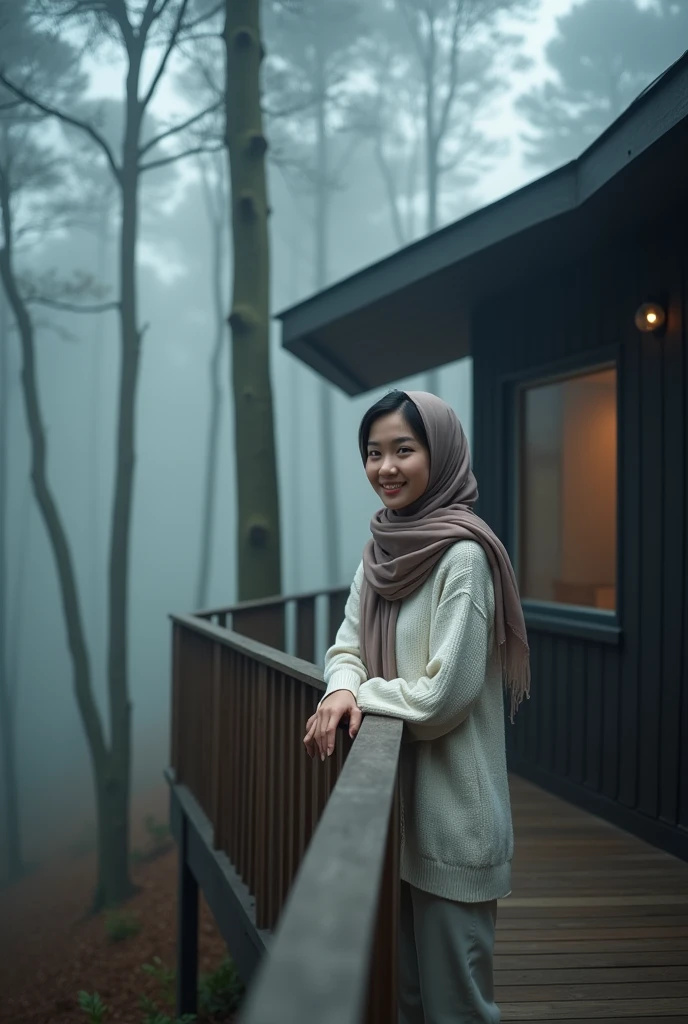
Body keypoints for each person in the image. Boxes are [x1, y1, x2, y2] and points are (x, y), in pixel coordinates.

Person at [303, 389, 530, 1024]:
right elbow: (345, 645)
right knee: (405, 1002)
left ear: (443, 453)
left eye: (404, 449)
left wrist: (358, 691)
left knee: (458, 1007)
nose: (386, 468)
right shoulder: (380, 554)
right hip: (395, 819)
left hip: (456, 821)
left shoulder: (464, 558)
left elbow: (441, 698)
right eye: (373, 454)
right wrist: (341, 685)